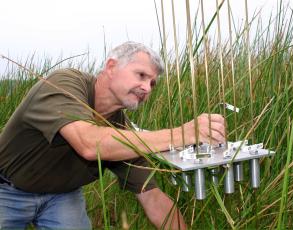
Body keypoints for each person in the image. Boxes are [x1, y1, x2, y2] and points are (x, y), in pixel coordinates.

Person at [0, 42, 225, 229]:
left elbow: (153, 198)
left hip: (62, 196)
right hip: (6, 190)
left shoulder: (124, 133)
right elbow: (90, 144)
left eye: (152, 83)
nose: (147, 87)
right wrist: (181, 134)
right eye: (141, 75)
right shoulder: (63, 84)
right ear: (111, 66)